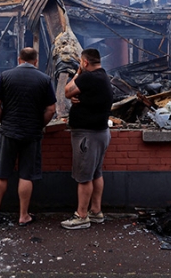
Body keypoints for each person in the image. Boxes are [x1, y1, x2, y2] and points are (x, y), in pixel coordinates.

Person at [0, 47, 57, 226]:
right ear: (36, 61)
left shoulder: (5, 76)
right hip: (32, 133)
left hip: (8, 131)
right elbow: (51, 109)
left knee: (1, 174)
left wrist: (5, 120)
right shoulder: (44, 79)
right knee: (26, 175)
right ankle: (23, 215)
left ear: (19, 59)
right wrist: (40, 124)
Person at [61, 48, 113, 230]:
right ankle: (96, 212)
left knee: (84, 177)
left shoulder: (88, 77)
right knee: (96, 173)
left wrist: (77, 74)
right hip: (101, 132)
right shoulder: (102, 76)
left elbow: (67, 91)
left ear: (84, 63)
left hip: (86, 135)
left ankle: (81, 216)